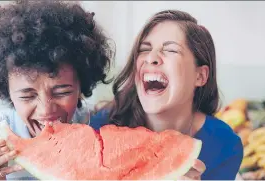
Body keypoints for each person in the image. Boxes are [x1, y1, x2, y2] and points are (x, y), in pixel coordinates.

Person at [0, 0, 114, 180]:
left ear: (81, 84)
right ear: (7, 90)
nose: (46, 110)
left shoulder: (98, 128)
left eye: (61, 92)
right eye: (27, 95)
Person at [90, 10, 244, 180]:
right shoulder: (101, 129)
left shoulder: (225, 145)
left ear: (200, 76)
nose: (151, 57)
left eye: (171, 50)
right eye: (144, 50)